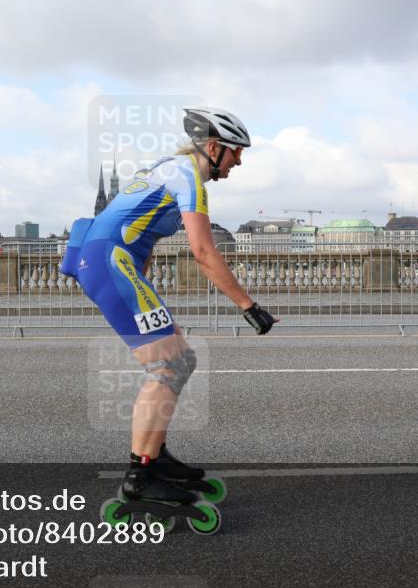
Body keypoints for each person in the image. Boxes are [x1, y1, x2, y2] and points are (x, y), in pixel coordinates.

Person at [62, 107, 277, 533]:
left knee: (181, 360)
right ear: (213, 148)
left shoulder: (166, 169)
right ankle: (140, 478)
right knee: (166, 366)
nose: (239, 162)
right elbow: (203, 251)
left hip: (109, 262)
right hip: (111, 263)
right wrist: (248, 306)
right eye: (236, 152)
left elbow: (136, 228)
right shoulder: (188, 179)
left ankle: (154, 457)